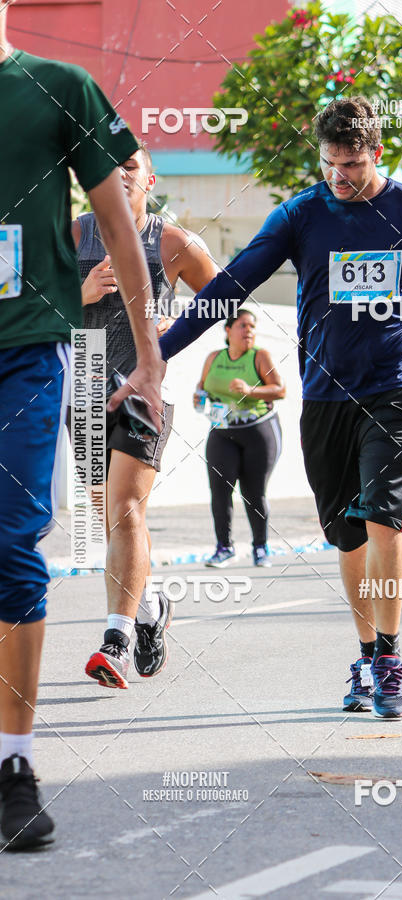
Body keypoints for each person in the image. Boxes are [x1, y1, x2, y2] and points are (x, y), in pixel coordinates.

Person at [159, 96, 402, 720]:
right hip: (324, 399)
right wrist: (158, 352)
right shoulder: (299, 215)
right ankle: (365, 652)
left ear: (377, 155)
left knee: (383, 517)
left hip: (394, 392)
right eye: (330, 164)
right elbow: (229, 287)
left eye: (352, 166)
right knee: (345, 537)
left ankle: (391, 659)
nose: (339, 178)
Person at [0, 1, 164, 850]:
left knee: (14, 545)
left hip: (25, 355)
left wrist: (151, 355)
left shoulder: (56, 88)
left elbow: (119, 227)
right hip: (48, 363)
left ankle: (14, 765)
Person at [73, 145, 219, 689]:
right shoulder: (72, 236)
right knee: (108, 514)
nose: (119, 175)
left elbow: (225, 298)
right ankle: (152, 603)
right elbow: (21, 303)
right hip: (84, 389)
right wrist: (78, 292)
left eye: (129, 166)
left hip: (143, 393)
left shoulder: (173, 241)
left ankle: (116, 638)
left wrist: (170, 331)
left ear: (150, 177)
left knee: (125, 505)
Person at [194, 308, 285, 567]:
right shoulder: (214, 357)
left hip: (258, 431)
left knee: (253, 492)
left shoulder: (260, 357)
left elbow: (280, 390)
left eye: (252, 327)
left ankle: (260, 547)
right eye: (243, 326)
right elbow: (202, 387)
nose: (249, 331)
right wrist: (199, 399)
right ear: (228, 330)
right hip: (222, 431)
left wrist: (250, 390)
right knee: (220, 491)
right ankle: (224, 548)